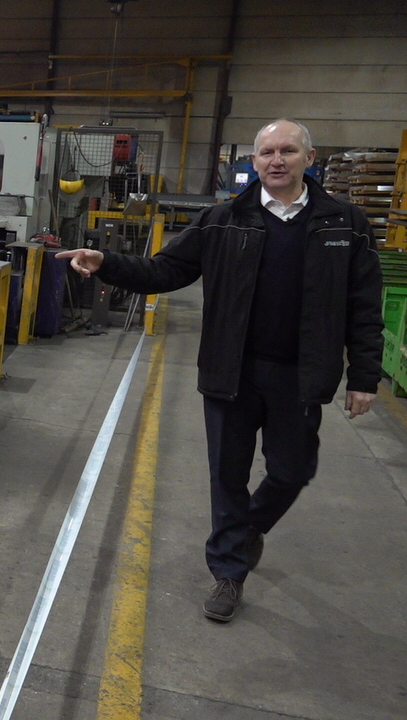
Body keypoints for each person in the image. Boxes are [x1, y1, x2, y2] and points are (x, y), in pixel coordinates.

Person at [56, 119, 383, 623]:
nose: (277, 160)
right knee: (228, 474)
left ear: (309, 158)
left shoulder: (345, 223)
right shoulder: (224, 219)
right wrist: (107, 262)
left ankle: (248, 528)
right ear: (254, 161)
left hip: (300, 375)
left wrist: (364, 376)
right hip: (232, 370)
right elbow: (166, 270)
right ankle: (229, 571)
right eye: (267, 152)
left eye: (287, 151)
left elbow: (365, 304)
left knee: (293, 471)